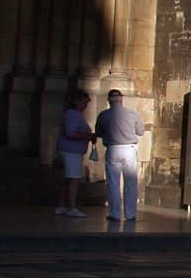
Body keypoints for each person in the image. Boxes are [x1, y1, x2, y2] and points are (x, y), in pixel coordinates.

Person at [93, 88, 149, 222]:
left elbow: (99, 133)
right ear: (121, 100)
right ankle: (130, 214)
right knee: (130, 182)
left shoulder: (103, 115)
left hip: (113, 148)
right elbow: (141, 132)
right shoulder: (132, 114)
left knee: (113, 182)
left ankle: (115, 213)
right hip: (129, 148)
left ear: (109, 101)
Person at [54, 89, 95, 219]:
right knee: (73, 179)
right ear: (77, 101)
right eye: (84, 103)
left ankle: (62, 206)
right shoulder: (73, 114)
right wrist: (88, 135)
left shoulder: (72, 114)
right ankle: (71, 207)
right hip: (71, 151)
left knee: (67, 179)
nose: (85, 106)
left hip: (70, 150)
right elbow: (70, 133)